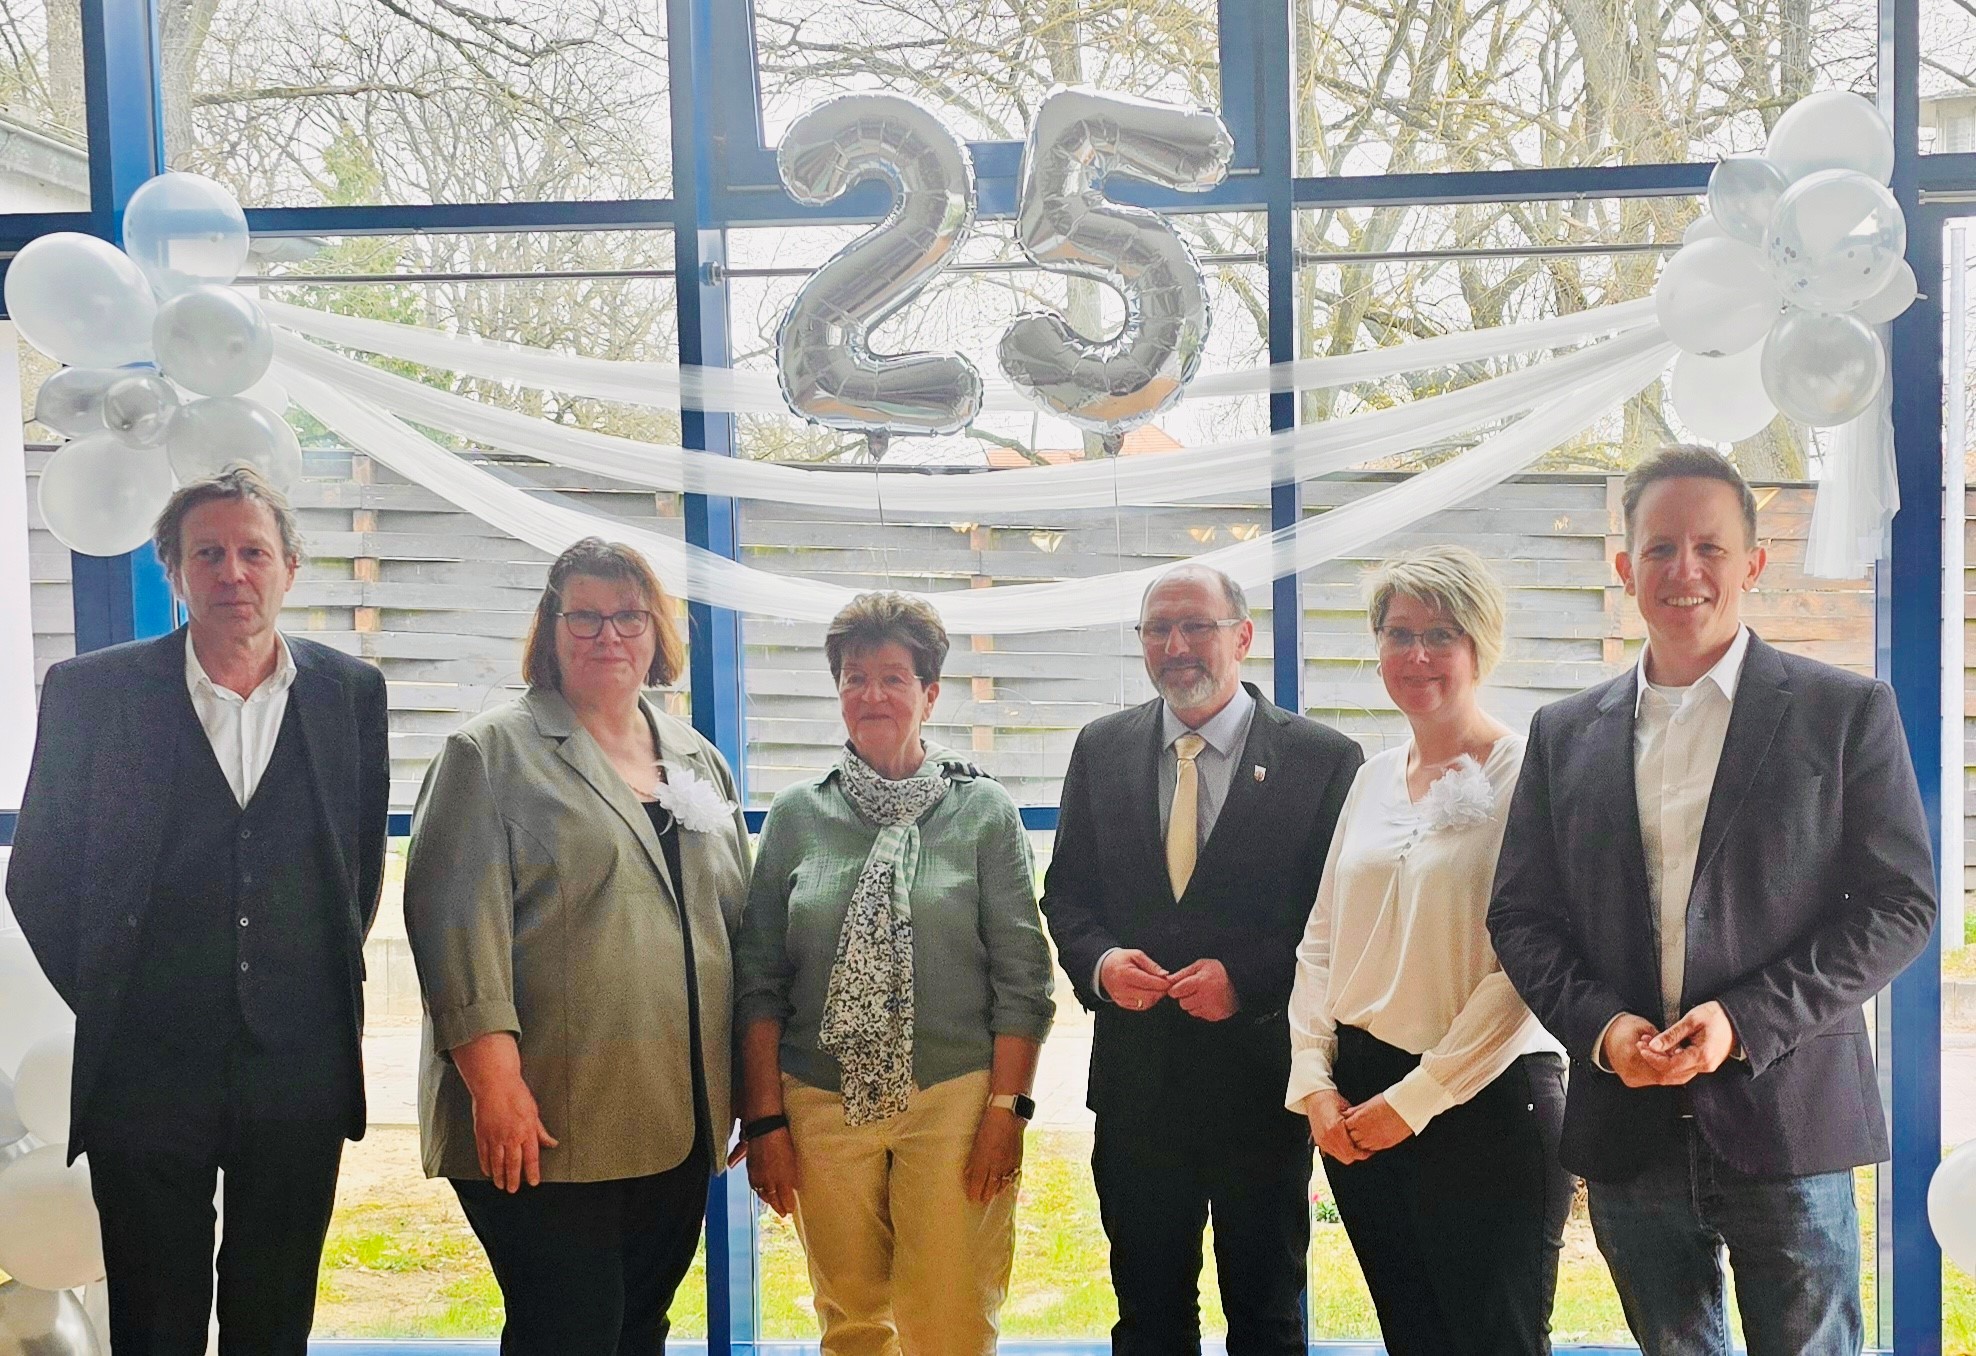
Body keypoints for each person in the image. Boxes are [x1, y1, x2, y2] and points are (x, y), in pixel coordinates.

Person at [1488, 445, 1937, 1356]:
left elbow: (1900, 906)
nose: (1683, 570)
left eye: (1710, 548)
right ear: (1625, 568)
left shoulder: (1843, 711)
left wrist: (1745, 1018)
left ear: (1754, 565)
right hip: (1628, 1129)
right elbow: (1521, 917)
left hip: (1789, 1115)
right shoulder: (1562, 734)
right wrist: (1604, 1031)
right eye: (1658, 548)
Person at [7, 466, 389, 1354]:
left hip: (298, 1065)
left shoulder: (349, 695)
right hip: (145, 1066)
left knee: (276, 1308)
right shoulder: (93, 693)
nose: (232, 573)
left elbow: (355, 873)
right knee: (154, 1314)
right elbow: (41, 876)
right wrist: (116, 990)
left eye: (253, 552)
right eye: (206, 553)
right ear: (173, 571)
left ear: (290, 566)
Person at [403, 537, 751, 1356]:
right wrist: (496, 1086)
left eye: (628, 617)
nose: (608, 636)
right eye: (585, 617)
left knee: (638, 1330)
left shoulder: (696, 756)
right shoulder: (488, 755)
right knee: (570, 1332)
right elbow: (455, 933)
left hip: (674, 1115)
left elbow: (738, 928)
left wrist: (747, 1083)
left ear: (656, 629)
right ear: (549, 628)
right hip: (544, 1120)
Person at [1041, 563, 1363, 1356]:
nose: (1176, 646)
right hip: (1137, 1090)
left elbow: (1340, 926)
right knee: (1148, 1318)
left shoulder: (1324, 759)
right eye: (1158, 629)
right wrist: (1103, 963)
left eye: (1198, 627)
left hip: (1262, 1088)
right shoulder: (1101, 747)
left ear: (1243, 637)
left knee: (1266, 1317)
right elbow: (1068, 899)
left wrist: (1247, 982)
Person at [734, 591, 1055, 1356]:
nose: (871, 695)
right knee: (848, 1322)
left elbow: (1024, 976)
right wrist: (767, 1120)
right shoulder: (795, 816)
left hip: (955, 1103)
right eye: (853, 677)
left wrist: (1007, 1112)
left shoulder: (983, 812)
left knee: (950, 1320)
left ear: (930, 694)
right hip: (819, 1102)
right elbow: (758, 978)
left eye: (893, 678)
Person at [1287, 545, 1570, 1355]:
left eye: (1440, 634)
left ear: (1482, 645)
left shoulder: (1531, 773)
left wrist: (1418, 1100)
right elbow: (1322, 940)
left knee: (1498, 1340)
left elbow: (1529, 967)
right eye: (1398, 633)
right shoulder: (1371, 778)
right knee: (1412, 1337)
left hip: (1485, 1097)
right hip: (1357, 1099)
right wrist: (1313, 1081)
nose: (1416, 655)